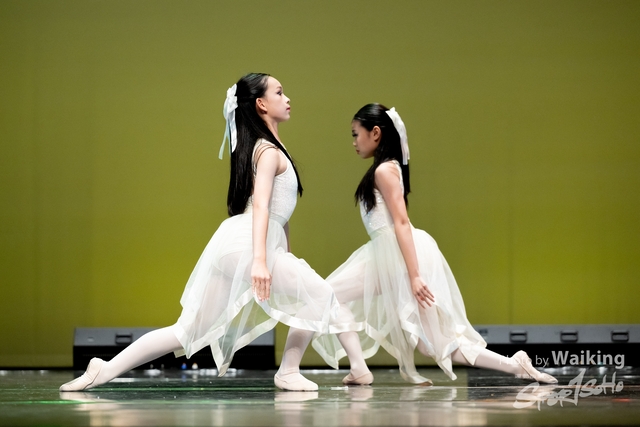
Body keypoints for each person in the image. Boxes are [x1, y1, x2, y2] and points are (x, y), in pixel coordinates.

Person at [60, 73, 370, 393]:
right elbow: (261, 206)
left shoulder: (271, 148)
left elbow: (280, 215)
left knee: (188, 329)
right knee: (322, 295)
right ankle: (293, 371)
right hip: (248, 246)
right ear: (261, 104)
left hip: (239, 245)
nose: (287, 98)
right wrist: (260, 261)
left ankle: (105, 368)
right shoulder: (267, 151)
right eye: (279, 92)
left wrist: (284, 255)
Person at [312, 103, 557, 385]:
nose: (354, 142)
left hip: (394, 257)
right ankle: (514, 365)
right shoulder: (387, 168)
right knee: (431, 344)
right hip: (391, 256)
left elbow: (401, 222)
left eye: (356, 134)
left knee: (329, 295)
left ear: (375, 133)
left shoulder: (384, 171)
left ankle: (359, 368)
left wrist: (415, 275)